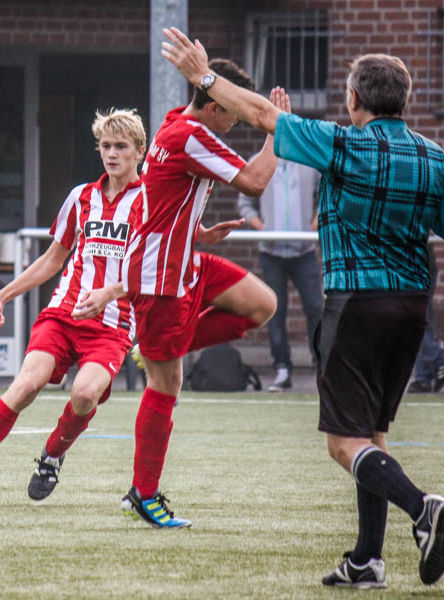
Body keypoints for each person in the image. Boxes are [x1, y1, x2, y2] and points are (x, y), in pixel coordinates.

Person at [161, 28, 444, 587]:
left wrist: (203, 76)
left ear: (353, 99)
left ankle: (421, 508)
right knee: (372, 434)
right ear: (405, 100)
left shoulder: (340, 142)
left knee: (343, 443)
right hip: (411, 309)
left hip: (355, 305)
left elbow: (262, 115)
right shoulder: (435, 157)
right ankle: (366, 560)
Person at [0, 108, 146, 509]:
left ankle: (52, 455)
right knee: (25, 385)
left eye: (121, 146)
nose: (112, 154)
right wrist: (4, 294)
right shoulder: (81, 198)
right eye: (105, 146)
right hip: (63, 315)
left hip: (113, 325)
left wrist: (110, 293)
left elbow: (157, 270)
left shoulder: (152, 203)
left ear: (139, 151)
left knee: (85, 395)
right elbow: (53, 259)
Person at [119, 58, 283, 528]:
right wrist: (279, 132)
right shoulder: (190, 134)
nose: (239, 121)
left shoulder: (175, 121)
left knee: (262, 304)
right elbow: (255, 181)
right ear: (213, 107)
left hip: (185, 260)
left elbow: (161, 200)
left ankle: (156, 349)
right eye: (235, 111)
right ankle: (143, 493)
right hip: (159, 277)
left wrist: (197, 232)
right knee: (166, 385)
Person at [238, 158, 323, 391]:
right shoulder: (260, 162)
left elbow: (327, 192)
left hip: (304, 251)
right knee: (275, 310)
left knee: (315, 307)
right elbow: (244, 201)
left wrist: (316, 221)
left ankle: (320, 364)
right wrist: (261, 227)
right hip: (271, 252)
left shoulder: (309, 164)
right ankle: (282, 368)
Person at [406, 246, 444, 393]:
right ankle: (423, 376)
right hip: (413, 261)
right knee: (420, 316)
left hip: (411, 262)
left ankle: (436, 356)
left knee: (412, 316)